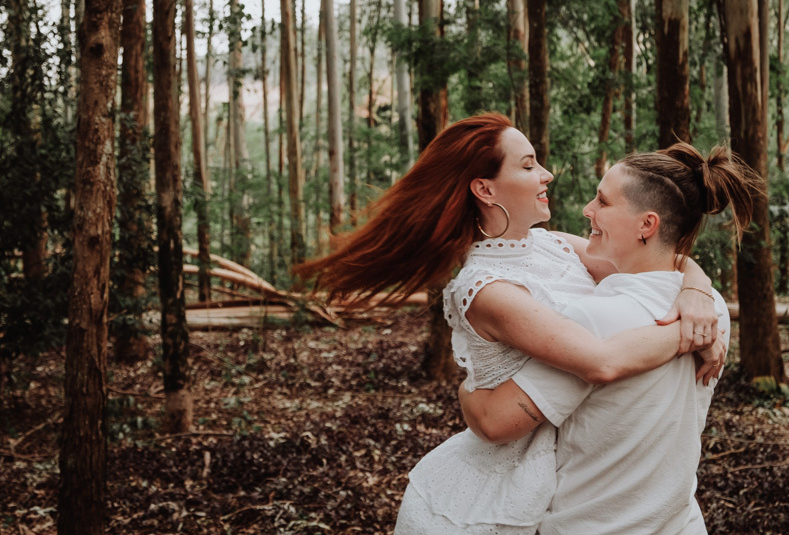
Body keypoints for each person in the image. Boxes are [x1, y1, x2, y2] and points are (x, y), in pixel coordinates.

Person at [296, 114, 725, 534]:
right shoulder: (488, 288)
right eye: (528, 165)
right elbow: (599, 360)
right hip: (507, 479)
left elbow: (653, 257)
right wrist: (688, 334)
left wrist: (697, 289)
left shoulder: (552, 244)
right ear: (485, 188)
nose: (547, 174)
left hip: (574, 461)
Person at [458, 143, 757, 535]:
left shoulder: (596, 318)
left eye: (602, 200)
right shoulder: (708, 307)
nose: (587, 209)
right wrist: (697, 285)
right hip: (678, 523)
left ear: (646, 225)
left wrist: (467, 379)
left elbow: (494, 422)